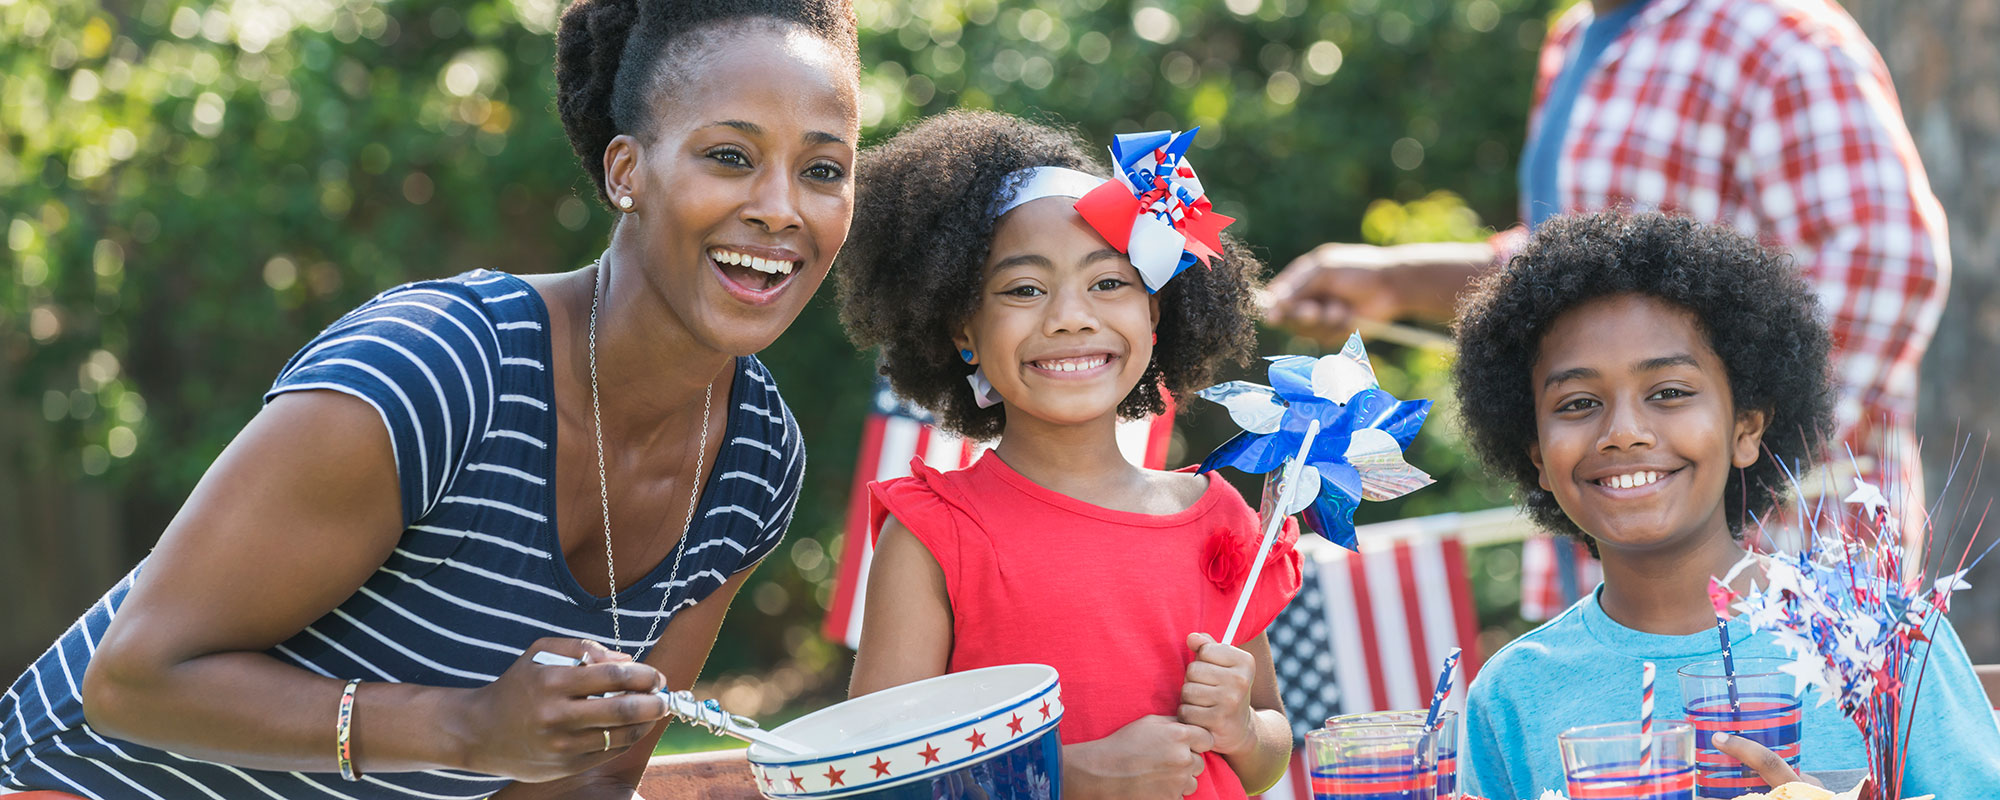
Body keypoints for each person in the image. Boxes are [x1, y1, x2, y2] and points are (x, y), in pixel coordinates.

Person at [0, 1, 858, 797]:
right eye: (729, 157)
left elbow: (582, 784)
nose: (780, 210)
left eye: (822, 169)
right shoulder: (442, 367)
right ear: (627, 170)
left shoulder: (756, 461)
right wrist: (470, 729)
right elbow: (132, 682)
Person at [1265, 0, 1948, 540]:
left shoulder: (1776, 32)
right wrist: (1391, 284)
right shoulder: (1577, 37)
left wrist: (1735, 466)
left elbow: (1889, 259)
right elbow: (1578, 273)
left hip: (1789, 555)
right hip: (1618, 556)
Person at [1452, 211, 2000, 799]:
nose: (1624, 432)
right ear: (1536, 454)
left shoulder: (1883, 646)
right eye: (1578, 403)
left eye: (1669, 393)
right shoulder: (1513, 692)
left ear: (1746, 429)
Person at [835, 110, 1297, 799]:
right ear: (964, 329)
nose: (1071, 316)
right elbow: (879, 778)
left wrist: (1243, 731)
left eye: (1108, 282)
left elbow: (1269, 749)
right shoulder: (936, 535)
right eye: (1024, 289)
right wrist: (1072, 776)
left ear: (1155, 311)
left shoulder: (1218, 516)